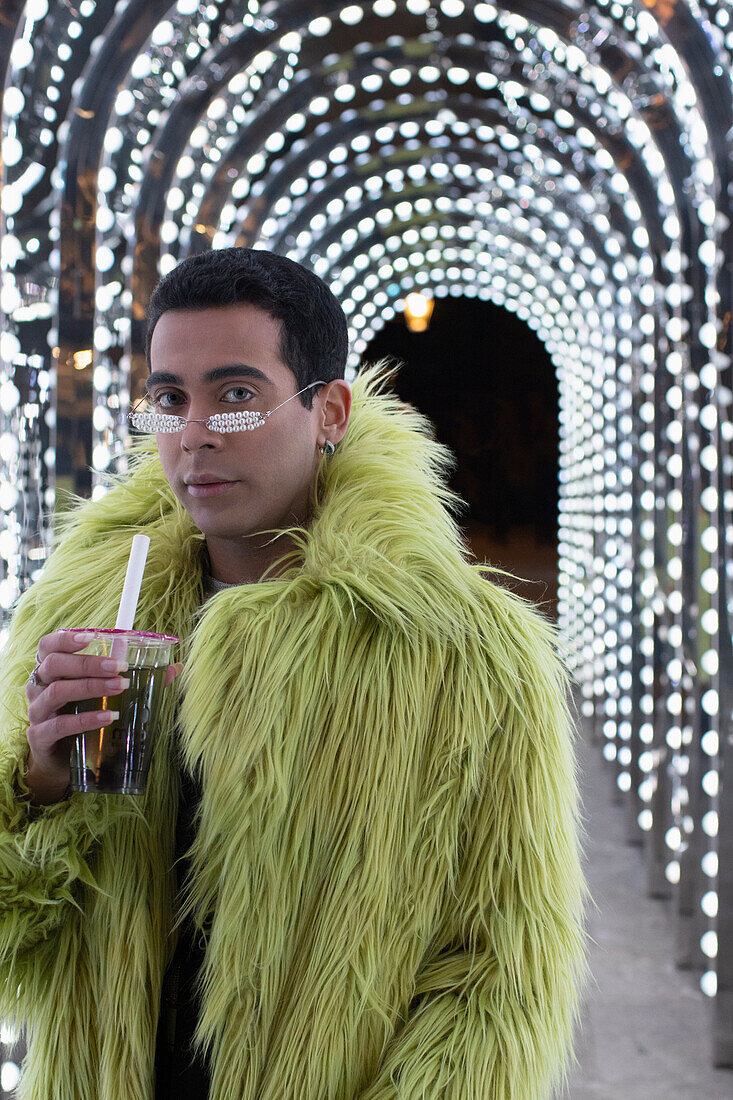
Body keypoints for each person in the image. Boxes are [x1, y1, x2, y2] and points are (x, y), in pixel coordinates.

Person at [0, 247, 588, 1100]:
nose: (194, 432)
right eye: (170, 399)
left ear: (329, 412)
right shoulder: (89, 613)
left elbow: (498, 977)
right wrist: (40, 788)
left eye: (235, 397)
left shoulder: (463, 654)